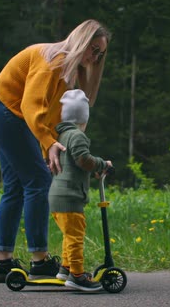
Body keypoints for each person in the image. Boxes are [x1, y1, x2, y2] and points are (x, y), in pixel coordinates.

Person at [0, 19, 111, 283]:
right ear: (81, 39)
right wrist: (49, 145)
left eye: (100, 53)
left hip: (6, 116)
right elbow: (31, 105)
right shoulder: (53, 60)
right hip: (5, 112)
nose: (94, 56)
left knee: (16, 186)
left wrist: (47, 148)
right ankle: (39, 261)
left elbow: (46, 119)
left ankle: (1, 263)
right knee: (38, 181)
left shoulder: (67, 73)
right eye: (93, 48)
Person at [48, 89, 112, 292]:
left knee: (69, 234)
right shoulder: (77, 135)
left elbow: (75, 163)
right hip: (70, 196)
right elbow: (83, 159)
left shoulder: (63, 135)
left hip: (57, 197)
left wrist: (92, 169)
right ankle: (77, 275)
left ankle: (65, 268)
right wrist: (101, 164)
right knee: (76, 236)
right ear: (83, 118)